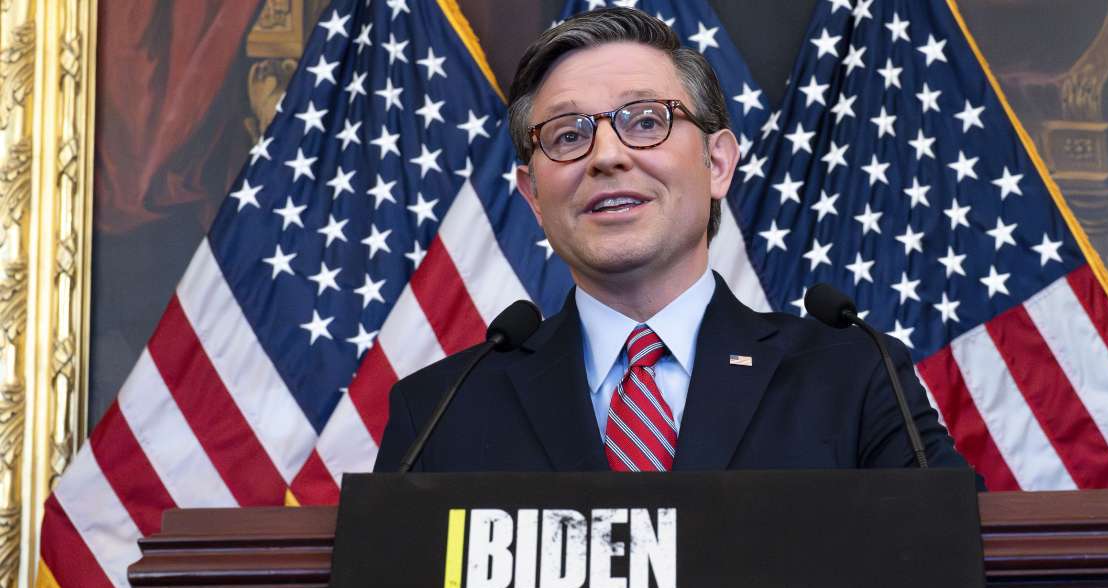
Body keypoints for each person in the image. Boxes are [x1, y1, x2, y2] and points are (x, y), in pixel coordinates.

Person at [373, 7, 973, 480]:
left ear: (717, 163)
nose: (607, 156)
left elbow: (950, 572)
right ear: (533, 196)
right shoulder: (440, 411)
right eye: (566, 134)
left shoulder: (854, 376)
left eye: (645, 121)